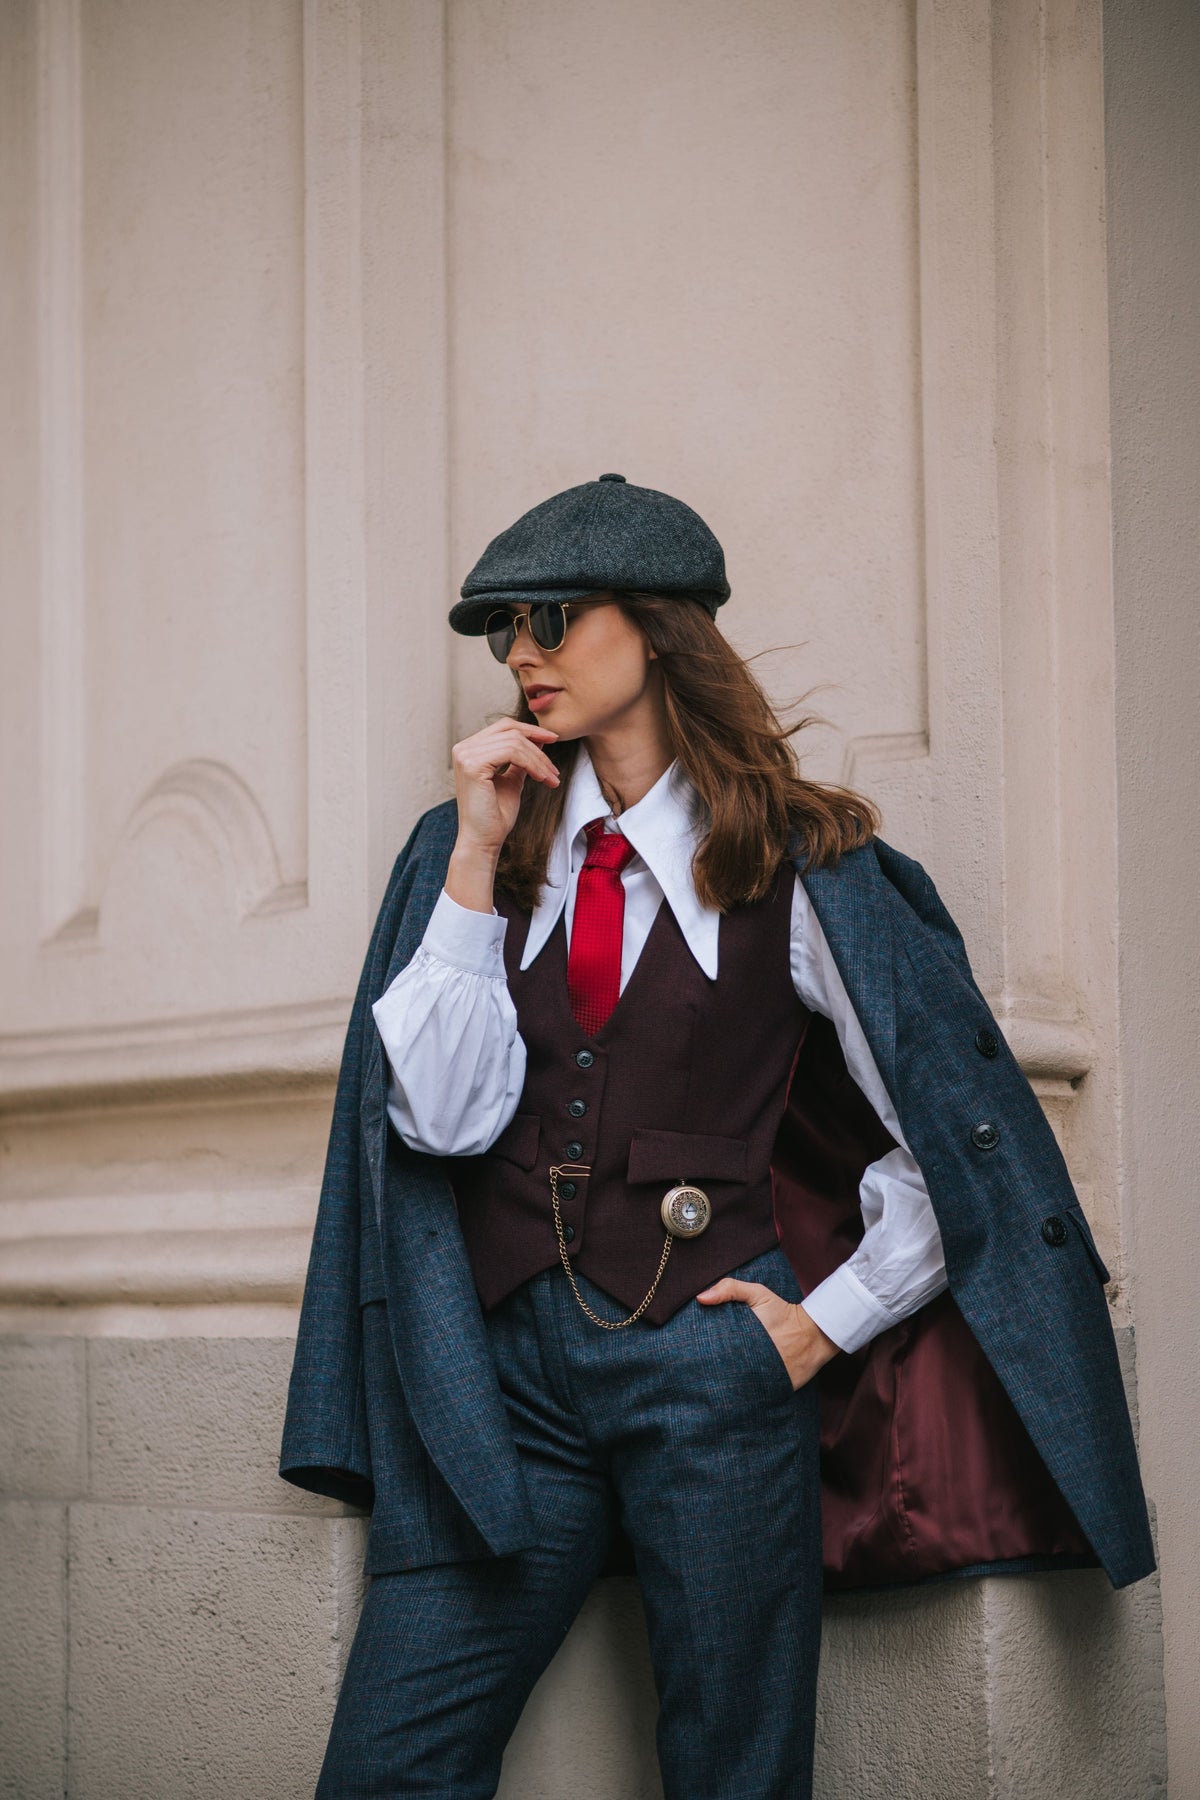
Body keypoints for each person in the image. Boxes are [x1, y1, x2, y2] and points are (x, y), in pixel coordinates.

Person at [281, 475, 1156, 1799]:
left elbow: (949, 1141)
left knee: (734, 1773)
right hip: (504, 1388)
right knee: (390, 1764)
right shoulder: (473, 851)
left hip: (715, 1373)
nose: (520, 650)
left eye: (551, 617)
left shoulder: (803, 864)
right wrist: (469, 865)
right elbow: (438, 1124)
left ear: (657, 627)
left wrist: (821, 1324)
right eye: (501, 627)